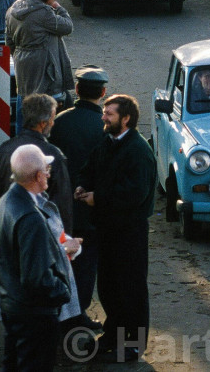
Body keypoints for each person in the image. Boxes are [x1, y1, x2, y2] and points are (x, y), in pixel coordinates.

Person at [75, 95, 155, 363]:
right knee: (109, 287)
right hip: (107, 229)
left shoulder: (138, 150)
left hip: (129, 232)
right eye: (104, 112)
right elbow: (89, 168)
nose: (104, 117)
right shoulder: (107, 142)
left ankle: (132, 345)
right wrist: (82, 185)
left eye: (109, 114)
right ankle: (113, 336)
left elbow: (135, 193)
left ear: (126, 118)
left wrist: (98, 198)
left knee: (130, 288)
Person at [0, 144, 71, 372]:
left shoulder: (1, 205)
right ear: (37, 176)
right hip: (33, 315)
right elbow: (37, 279)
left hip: (11, 305)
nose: (48, 174)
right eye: (46, 170)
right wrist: (63, 290)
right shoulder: (30, 218)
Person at [50, 65, 110, 332]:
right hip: (90, 207)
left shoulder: (60, 121)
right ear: (103, 93)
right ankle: (78, 313)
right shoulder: (104, 126)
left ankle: (59, 312)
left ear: (76, 89)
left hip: (60, 206)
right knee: (85, 264)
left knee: (60, 259)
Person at [0, 94, 73, 229]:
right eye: (52, 119)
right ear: (43, 123)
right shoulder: (54, 155)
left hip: (6, 224)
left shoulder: (4, 149)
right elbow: (62, 205)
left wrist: (6, 207)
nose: (53, 123)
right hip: (40, 230)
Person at [5, 0, 74, 103]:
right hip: (43, 69)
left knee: (24, 100)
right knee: (51, 106)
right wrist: (59, 8)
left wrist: (21, 55)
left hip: (22, 67)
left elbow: (9, 41)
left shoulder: (12, 10)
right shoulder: (44, 13)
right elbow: (67, 27)